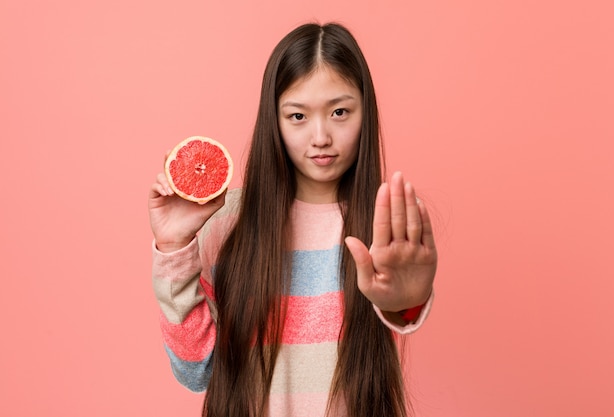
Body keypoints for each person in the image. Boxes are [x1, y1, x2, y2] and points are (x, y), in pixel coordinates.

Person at [149, 22, 437, 417]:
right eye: (298, 116)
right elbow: (195, 372)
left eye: (339, 112)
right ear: (275, 120)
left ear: (365, 112)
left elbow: (400, 307)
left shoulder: (385, 221)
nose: (321, 136)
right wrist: (174, 250)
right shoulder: (227, 222)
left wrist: (404, 305)